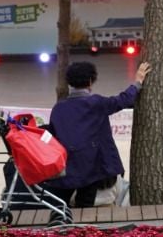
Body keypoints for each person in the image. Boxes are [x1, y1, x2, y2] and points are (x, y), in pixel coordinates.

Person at [46, 61, 151, 220]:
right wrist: (138, 81)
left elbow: (53, 136)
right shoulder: (96, 103)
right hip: (93, 167)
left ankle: (60, 226)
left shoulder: (58, 108)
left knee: (61, 205)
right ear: (90, 81)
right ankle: (82, 230)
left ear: (69, 82)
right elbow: (124, 100)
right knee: (85, 207)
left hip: (67, 167)